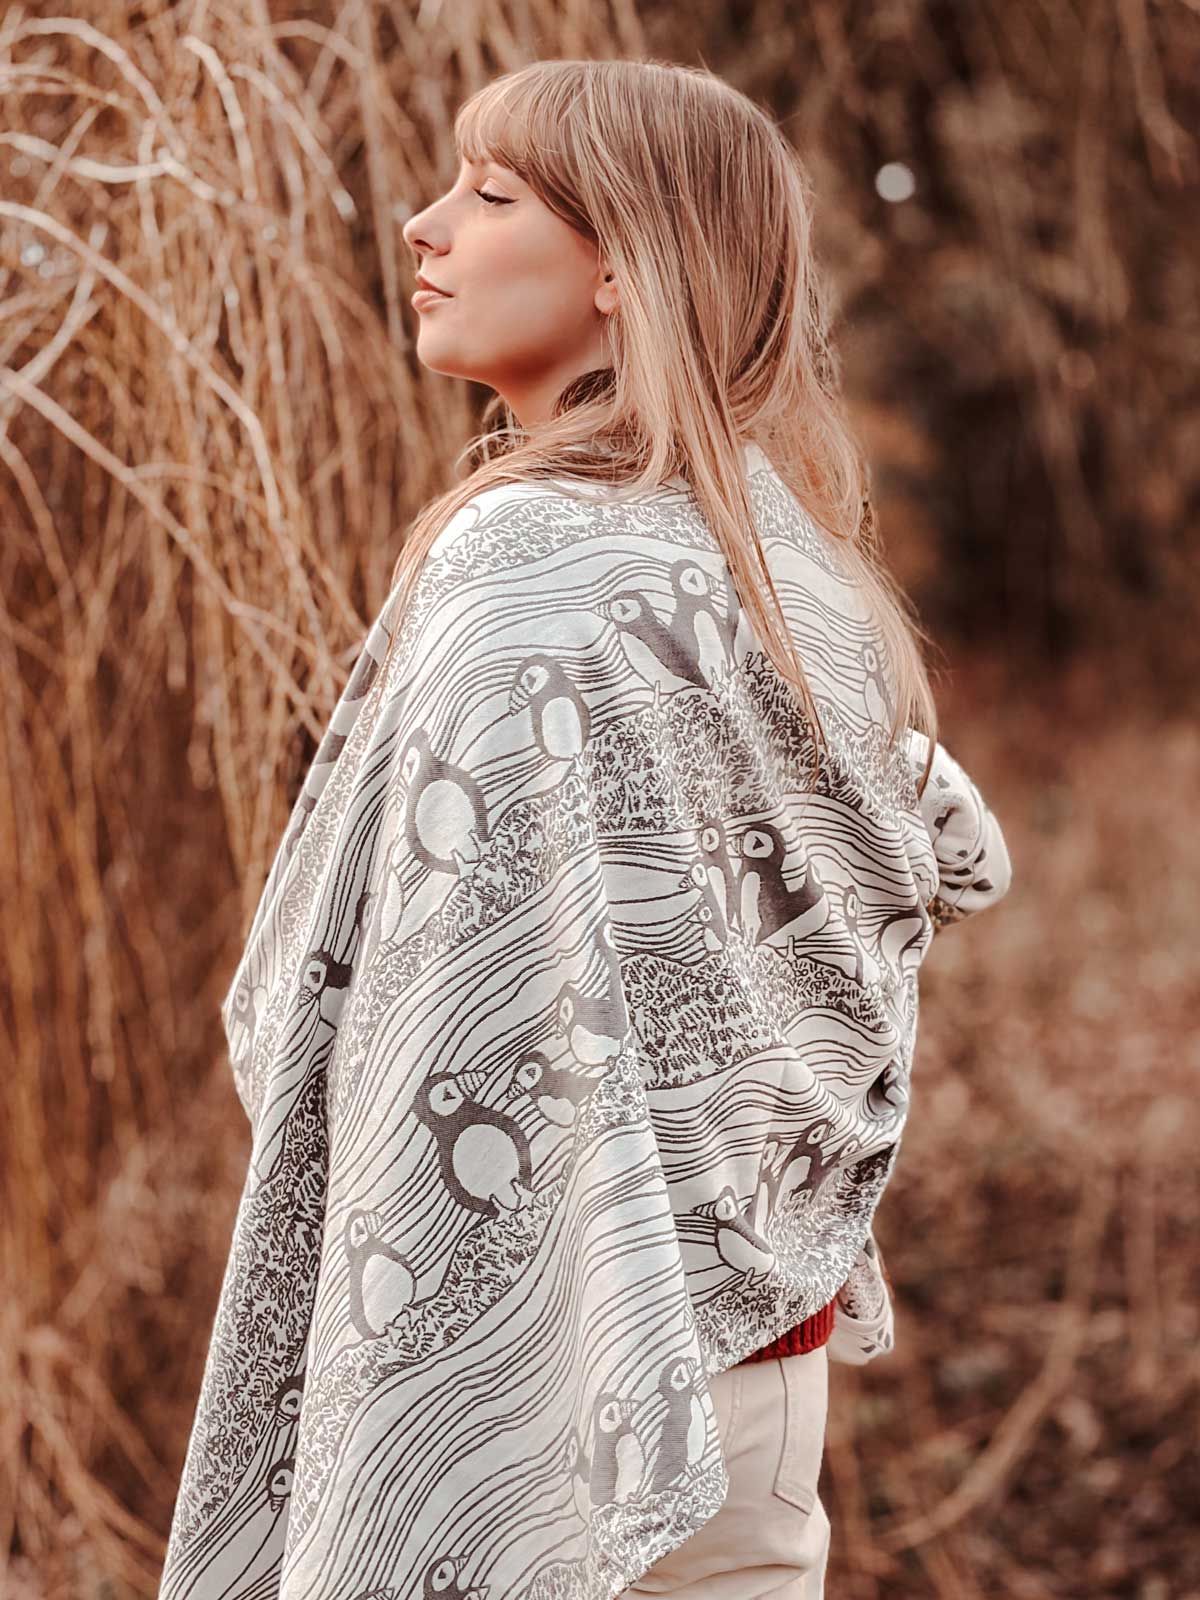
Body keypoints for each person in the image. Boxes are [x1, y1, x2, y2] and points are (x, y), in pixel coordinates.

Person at [158, 58, 1012, 1600]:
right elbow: (934, 853)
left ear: (626, 264)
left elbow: (404, 1002)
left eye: (489, 198)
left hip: (543, 1398)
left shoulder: (519, 555)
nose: (423, 227)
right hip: (757, 1401)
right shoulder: (798, 568)